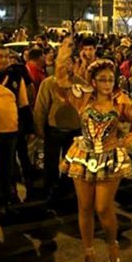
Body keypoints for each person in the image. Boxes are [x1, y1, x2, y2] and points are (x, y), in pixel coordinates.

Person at [55, 38, 132, 262]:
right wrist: (63, 56)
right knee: (84, 207)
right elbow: (61, 83)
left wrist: (125, 142)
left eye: (110, 79)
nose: (107, 83)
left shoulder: (121, 101)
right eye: (102, 79)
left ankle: (112, 244)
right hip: (83, 156)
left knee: (103, 208)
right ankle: (88, 251)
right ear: (93, 82)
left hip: (109, 157)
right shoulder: (83, 98)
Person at [33, 59, 82, 206]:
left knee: (71, 165)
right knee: (51, 164)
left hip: (75, 131)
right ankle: (50, 191)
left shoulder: (80, 83)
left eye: (70, 63)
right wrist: (39, 130)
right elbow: (40, 108)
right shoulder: (49, 83)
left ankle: (66, 189)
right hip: (54, 130)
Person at [0, 44, 32, 215]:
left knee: (7, 168)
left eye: (5, 57)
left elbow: (23, 104)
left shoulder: (16, 76)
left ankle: (6, 200)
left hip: (10, 131)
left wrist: (29, 129)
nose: (2, 60)